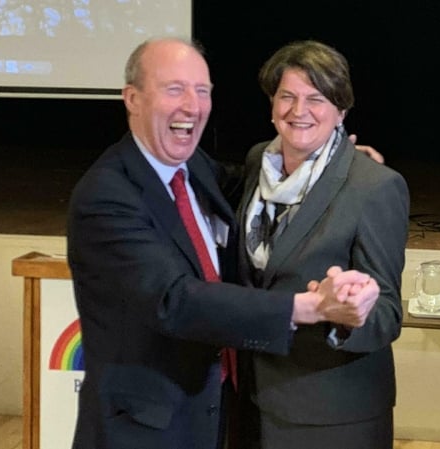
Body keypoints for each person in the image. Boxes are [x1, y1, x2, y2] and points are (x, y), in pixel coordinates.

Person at [66, 36, 382, 449]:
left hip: (212, 413)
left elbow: (259, 186)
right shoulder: (106, 196)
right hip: (144, 429)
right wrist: (307, 307)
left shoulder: (189, 165)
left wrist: (333, 166)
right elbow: (175, 301)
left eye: (202, 91)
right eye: (174, 89)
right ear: (133, 98)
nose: (191, 106)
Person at [235, 40, 409, 449]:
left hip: (332, 414)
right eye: (287, 97)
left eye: (316, 99)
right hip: (253, 396)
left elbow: (387, 311)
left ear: (341, 111)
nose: (299, 111)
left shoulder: (375, 186)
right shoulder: (257, 161)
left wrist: (348, 313)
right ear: (271, 103)